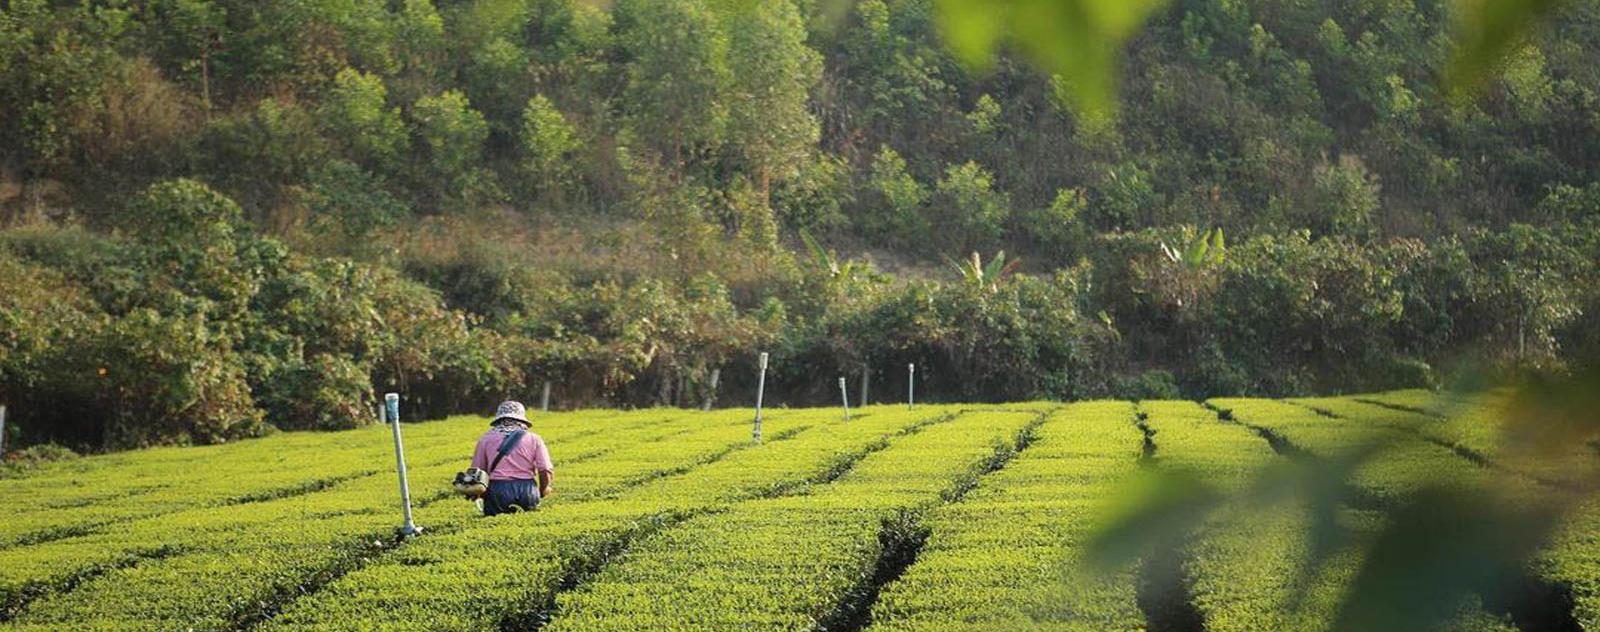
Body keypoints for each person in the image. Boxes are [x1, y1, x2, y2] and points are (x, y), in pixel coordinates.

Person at [471, 400, 554, 516]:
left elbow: (477, 471)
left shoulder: (485, 439)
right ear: (521, 420)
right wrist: (543, 490)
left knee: (495, 528)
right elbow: (545, 469)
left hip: (497, 489)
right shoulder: (534, 439)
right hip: (527, 489)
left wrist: (480, 495)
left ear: (499, 419)